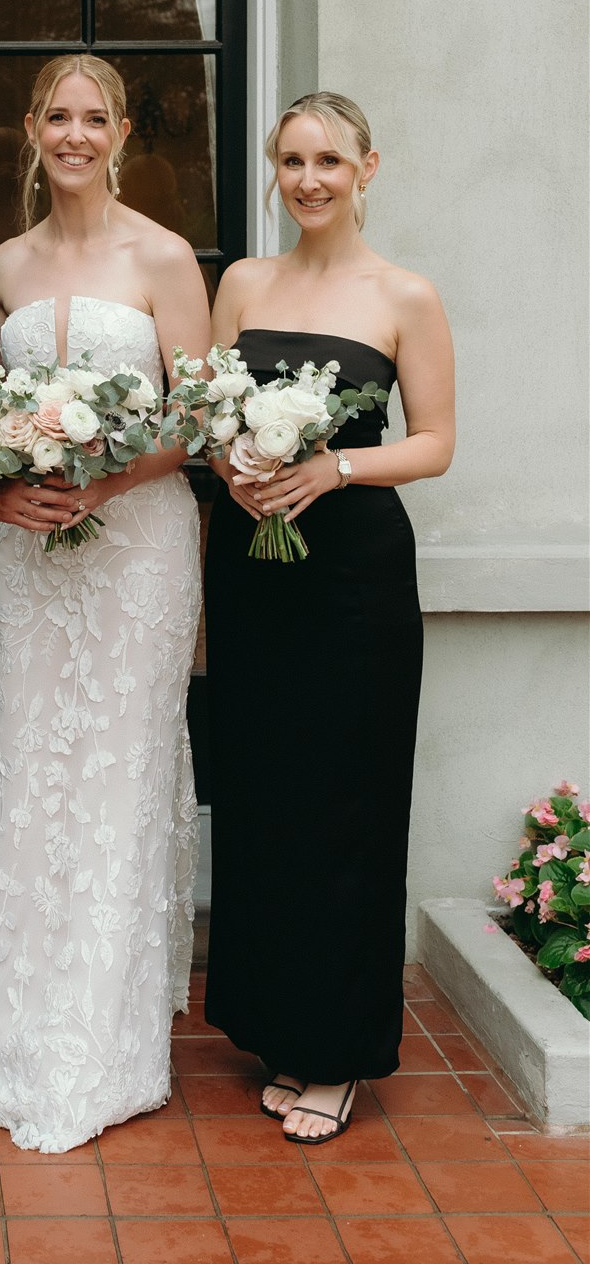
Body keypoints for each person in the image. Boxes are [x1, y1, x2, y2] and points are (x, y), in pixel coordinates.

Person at [0, 54, 210, 1151]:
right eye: (58, 116)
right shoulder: (0, 262)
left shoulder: (163, 255)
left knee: (117, 763)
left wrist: (104, 478)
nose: (75, 135)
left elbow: (194, 418)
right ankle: (2, 1014)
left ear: (123, 132)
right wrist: (4, 462)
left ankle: (103, 1033)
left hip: (136, 542)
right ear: (31, 127)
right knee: (30, 749)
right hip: (28, 550)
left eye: (95, 117)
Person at [204, 91, 454, 1146]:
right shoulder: (242, 283)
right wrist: (233, 465)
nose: (307, 180)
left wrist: (333, 466)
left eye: (328, 162)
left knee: (345, 799)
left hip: (352, 576)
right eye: (291, 161)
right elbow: (207, 412)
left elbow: (433, 441)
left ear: (366, 168)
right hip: (252, 566)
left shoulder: (403, 295)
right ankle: (275, 1024)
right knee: (263, 792)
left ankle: (338, 1050)